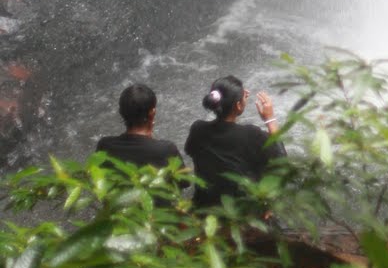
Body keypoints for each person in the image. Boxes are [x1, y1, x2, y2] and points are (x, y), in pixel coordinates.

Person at [184, 75, 285, 208]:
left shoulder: (198, 129)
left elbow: (189, 150)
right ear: (238, 105)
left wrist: (239, 101)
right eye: (243, 98)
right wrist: (270, 119)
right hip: (239, 210)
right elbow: (282, 159)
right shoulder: (252, 134)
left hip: (204, 205)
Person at [94, 84, 183, 171]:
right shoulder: (166, 149)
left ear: (121, 112)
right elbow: (183, 182)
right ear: (152, 113)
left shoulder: (105, 146)